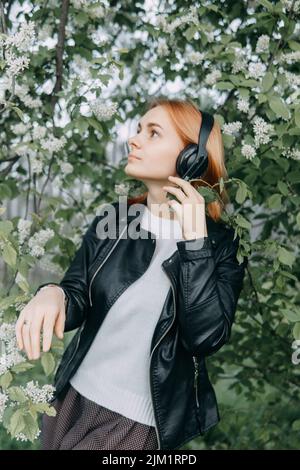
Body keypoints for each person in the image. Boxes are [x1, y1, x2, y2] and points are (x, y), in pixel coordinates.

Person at [15, 97, 248, 450]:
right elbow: (77, 294)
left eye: (153, 133)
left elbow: (205, 337)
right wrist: (52, 293)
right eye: (138, 129)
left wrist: (194, 243)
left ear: (192, 156)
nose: (134, 140)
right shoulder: (115, 219)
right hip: (71, 396)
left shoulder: (220, 245)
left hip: (134, 422)